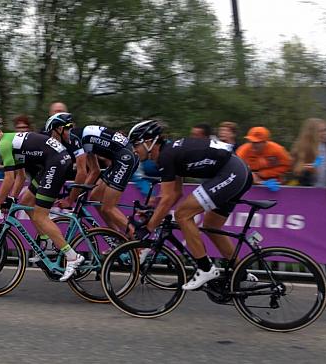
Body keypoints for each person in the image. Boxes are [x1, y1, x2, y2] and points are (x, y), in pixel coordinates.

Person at [127, 120, 253, 290]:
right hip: (237, 171)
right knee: (210, 225)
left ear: (149, 142)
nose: (134, 149)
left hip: (232, 172)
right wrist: (152, 210)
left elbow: (167, 199)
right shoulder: (169, 153)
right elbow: (175, 193)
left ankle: (205, 268)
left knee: (182, 215)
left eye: (136, 144)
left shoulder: (166, 156)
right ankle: (240, 271)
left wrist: (148, 228)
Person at [0, 116, 84, 282]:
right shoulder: (10, 143)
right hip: (52, 161)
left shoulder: (5, 144)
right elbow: (20, 176)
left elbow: (8, 178)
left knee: (40, 215)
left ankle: (72, 257)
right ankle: (46, 244)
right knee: (25, 203)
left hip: (56, 162)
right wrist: (11, 198)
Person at [46, 114, 138, 235]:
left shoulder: (73, 138)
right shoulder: (81, 137)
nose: (52, 139)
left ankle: (139, 243)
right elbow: (95, 171)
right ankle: (118, 239)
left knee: (108, 207)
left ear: (59, 129)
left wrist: (70, 200)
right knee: (95, 198)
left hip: (125, 158)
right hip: (121, 158)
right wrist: (81, 192)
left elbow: (82, 173)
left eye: (52, 134)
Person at [290, 118, 326, 200]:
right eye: (321, 131)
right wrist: (307, 170)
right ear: (312, 133)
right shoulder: (302, 149)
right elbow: (296, 177)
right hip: (306, 195)